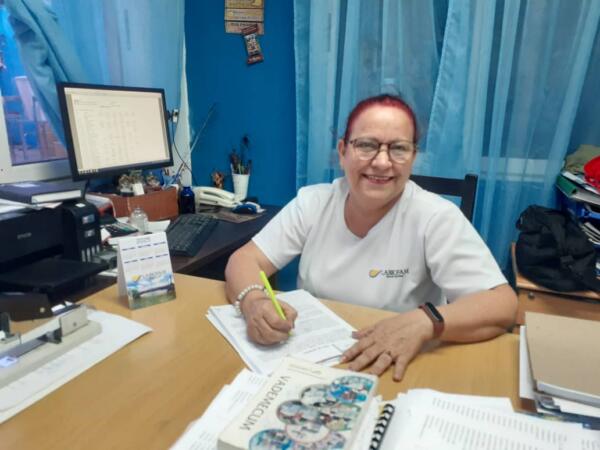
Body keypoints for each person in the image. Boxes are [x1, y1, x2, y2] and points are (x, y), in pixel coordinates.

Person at [224, 94, 517, 381]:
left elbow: (501, 304)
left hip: (396, 367)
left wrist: (425, 321)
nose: (381, 162)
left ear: (413, 157)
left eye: (399, 148)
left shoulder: (436, 216)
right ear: (342, 152)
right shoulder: (313, 203)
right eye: (366, 145)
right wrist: (253, 302)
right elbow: (246, 259)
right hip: (312, 361)